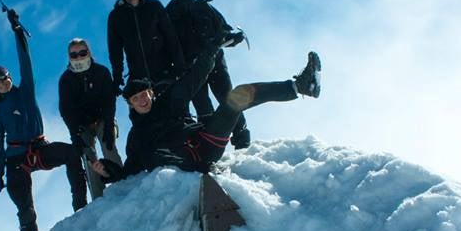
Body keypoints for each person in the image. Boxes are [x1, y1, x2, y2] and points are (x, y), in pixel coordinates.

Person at [92, 50, 321, 181]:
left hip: (206, 140)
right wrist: (109, 172)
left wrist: (211, 51)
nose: (141, 100)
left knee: (238, 96)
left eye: (144, 95)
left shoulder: (170, 102)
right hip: (187, 163)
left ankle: (301, 86)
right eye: (135, 99)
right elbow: (130, 169)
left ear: (151, 93)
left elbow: (193, 79)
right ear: (130, 105)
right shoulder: (136, 137)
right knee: (155, 156)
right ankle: (199, 170)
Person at [0, 8, 88, 231]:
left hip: (40, 148)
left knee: (73, 154)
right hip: (15, 159)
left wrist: (17, 30)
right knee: (21, 199)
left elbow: (25, 61)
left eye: (5, 78)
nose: (3, 83)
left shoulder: (25, 92)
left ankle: (82, 209)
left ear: (10, 78)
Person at [165, 0, 251, 149]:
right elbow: (166, 42)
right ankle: (211, 143)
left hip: (215, 58)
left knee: (227, 96)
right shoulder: (168, 13)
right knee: (201, 102)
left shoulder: (202, 5)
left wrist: (233, 37)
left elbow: (222, 26)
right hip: (192, 65)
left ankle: (241, 136)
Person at [58, 38, 123, 200]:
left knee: (108, 144)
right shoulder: (65, 80)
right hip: (82, 125)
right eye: (74, 55)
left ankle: (123, 182)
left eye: (82, 52)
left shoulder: (101, 72)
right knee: (88, 156)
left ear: (89, 53)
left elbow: (109, 101)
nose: (79, 57)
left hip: (102, 118)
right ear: (69, 57)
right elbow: (66, 110)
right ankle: (99, 198)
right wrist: (75, 134)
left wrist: (108, 124)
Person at [107, 0, 185, 90]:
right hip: (138, 78)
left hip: (165, 73)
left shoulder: (154, 6)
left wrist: (180, 66)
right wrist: (117, 76)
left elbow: (171, 37)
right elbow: (115, 51)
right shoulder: (115, 17)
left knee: (175, 108)